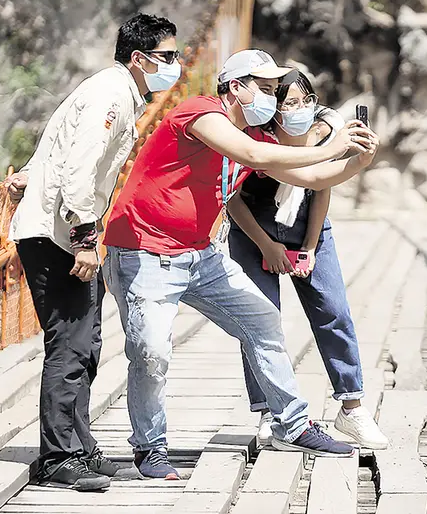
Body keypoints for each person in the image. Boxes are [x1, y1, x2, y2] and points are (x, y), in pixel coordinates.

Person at [101, 49, 380, 479]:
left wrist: (356, 161)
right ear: (236, 87)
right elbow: (257, 157)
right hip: (145, 252)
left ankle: (293, 423)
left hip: (200, 253)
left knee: (264, 322)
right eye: (266, 89)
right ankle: (150, 448)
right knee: (151, 352)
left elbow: (309, 179)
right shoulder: (200, 114)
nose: (272, 99)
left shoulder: (257, 138)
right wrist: (333, 147)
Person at [5, 13, 180, 492]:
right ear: (139, 59)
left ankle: (79, 448)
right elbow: (80, 170)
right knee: (69, 344)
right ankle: (59, 456)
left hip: (65, 228)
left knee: (87, 344)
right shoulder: (111, 94)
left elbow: (60, 145)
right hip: (59, 235)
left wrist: (30, 172)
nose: (176, 65)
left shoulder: (116, 91)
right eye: (167, 57)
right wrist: (86, 240)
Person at [227, 72, 389, 450]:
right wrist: (267, 246)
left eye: (305, 101)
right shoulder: (254, 139)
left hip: (306, 225)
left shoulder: (326, 132)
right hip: (253, 226)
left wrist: (311, 246)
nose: (298, 110)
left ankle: (352, 407)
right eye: (288, 104)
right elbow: (231, 197)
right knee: (260, 320)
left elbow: (319, 187)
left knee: (334, 310)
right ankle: (272, 411)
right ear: (273, 110)